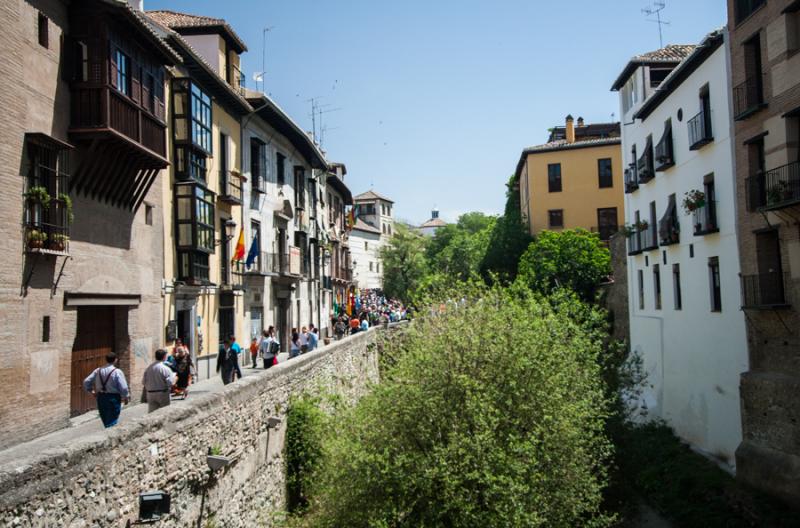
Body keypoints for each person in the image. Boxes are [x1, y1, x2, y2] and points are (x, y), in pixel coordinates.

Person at [83, 352, 129, 428]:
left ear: (106, 360)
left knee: (105, 418)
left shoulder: (98, 370)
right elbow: (123, 387)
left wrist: (91, 391)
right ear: (115, 360)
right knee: (112, 420)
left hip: (101, 398)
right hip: (113, 398)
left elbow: (86, 381)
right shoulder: (117, 372)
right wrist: (126, 397)